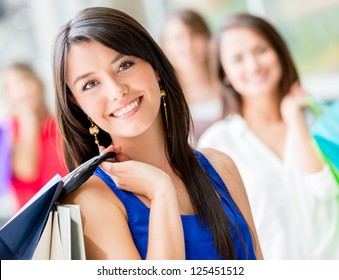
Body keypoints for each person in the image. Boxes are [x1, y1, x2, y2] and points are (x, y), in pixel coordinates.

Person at [53, 7, 263, 260]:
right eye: (90, 84)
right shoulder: (91, 200)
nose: (116, 91)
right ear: (77, 103)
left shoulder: (221, 167)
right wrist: (161, 191)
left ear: (155, 66)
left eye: (124, 65)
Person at [198, 13, 339, 259]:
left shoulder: (320, 121)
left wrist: (295, 119)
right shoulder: (216, 144)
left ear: (279, 53)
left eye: (260, 50)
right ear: (225, 74)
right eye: (238, 59)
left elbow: (325, 188)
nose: (253, 65)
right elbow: (220, 234)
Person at [1, 62, 68, 209]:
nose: (21, 89)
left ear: (39, 83)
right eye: (11, 86)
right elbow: (26, 171)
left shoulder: (61, 124)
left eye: (25, 80)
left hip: (68, 208)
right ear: (7, 96)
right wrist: (29, 119)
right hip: (35, 220)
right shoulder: (8, 131)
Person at [161, 9, 228, 142]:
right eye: (178, 38)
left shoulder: (228, 81)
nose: (188, 44)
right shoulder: (162, 97)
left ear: (208, 38)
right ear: (164, 47)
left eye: (194, 34)